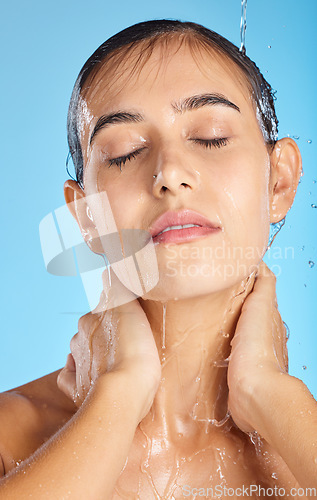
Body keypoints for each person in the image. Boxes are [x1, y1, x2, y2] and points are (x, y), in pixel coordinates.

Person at [0, 19, 315, 499]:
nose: (168, 173)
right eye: (125, 152)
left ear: (279, 182)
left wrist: (274, 397)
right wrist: (119, 395)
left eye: (210, 137)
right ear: (87, 218)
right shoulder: (9, 437)